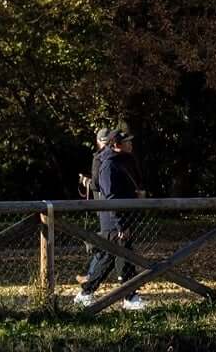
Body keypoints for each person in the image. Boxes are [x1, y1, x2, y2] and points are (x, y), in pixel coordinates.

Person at [77, 127, 146, 309]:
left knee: (109, 256)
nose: (131, 144)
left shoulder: (124, 160)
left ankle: (86, 292)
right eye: (127, 142)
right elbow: (110, 198)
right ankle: (129, 296)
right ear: (117, 145)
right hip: (114, 219)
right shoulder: (108, 165)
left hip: (124, 217)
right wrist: (121, 225)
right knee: (124, 255)